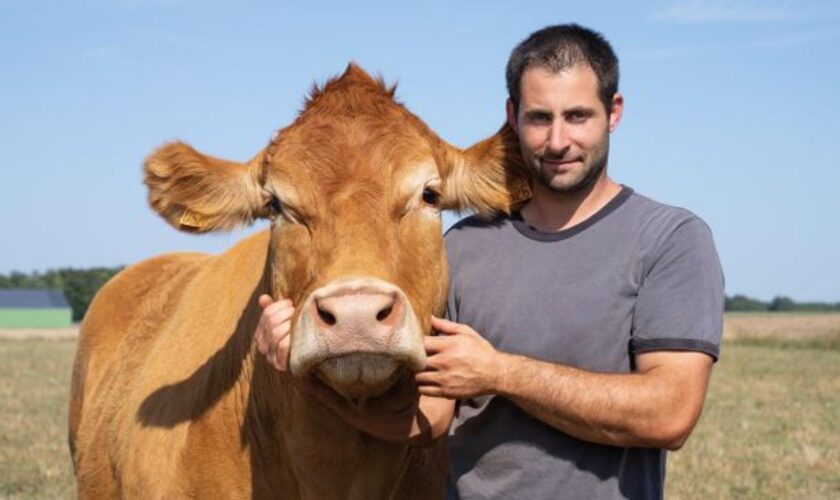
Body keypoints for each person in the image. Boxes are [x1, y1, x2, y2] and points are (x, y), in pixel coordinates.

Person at [257, 23, 724, 500]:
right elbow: (428, 419)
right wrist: (303, 369)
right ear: (512, 116)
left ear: (614, 112)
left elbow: (670, 415)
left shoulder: (670, 239)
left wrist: (499, 372)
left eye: (578, 116)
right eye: (540, 118)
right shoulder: (460, 249)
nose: (558, 140)